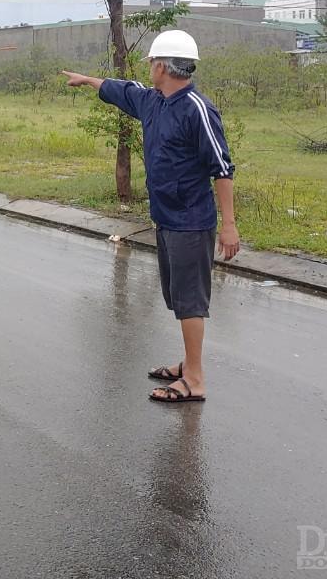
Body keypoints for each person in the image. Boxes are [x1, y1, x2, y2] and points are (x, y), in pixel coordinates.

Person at [62, 30, 239, 405]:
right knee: (178, 298)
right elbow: (121, 89)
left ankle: (195, 379)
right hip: (167, 218)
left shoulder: (197, 109)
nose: (149, 69)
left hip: (192, 221)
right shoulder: (154, 101)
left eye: (151, 63)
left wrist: (229, 225)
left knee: (190, 301)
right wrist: (88, 81)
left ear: (162, 66)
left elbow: (222, 169)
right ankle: (188, 363)